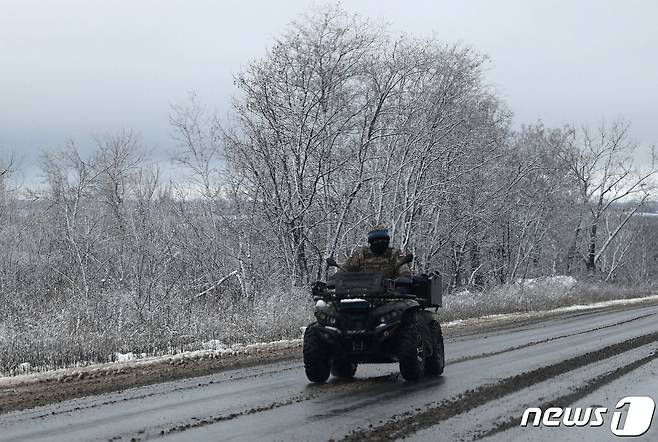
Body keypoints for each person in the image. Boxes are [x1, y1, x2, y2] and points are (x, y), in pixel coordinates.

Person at [342, 225, 411, 278]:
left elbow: (404, 270)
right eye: (376, 241)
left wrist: (404, 277)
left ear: (388, 241)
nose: (380, 243)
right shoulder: (361, 254)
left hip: (389, 293)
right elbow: (345, 269)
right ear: (370, 242)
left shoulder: (394, 254)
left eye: (383, 240)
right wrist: (336, 277)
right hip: (361, 293)